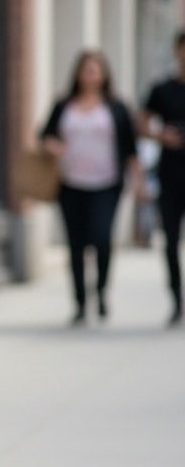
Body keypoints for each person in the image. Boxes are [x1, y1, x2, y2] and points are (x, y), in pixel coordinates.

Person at [40, 50, 143, 325]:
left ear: (105, 74)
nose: (90, 75)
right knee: (75, 245)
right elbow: (45, 134)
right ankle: (79, 302)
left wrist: (140, 182)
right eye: (86, 69)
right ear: (77, 74)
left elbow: (131, 148)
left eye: (96, 70)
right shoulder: (64, 105)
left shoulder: (117, 107)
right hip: (70, 184)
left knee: (101, 237)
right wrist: (52, 145)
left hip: (106, 183)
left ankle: (101, 291)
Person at [139, 29, 185, 325]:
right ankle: (177, 299)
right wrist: (161, 135)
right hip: (171, 174)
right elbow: (141, 124)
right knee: (169, 242)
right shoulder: (162, 89)